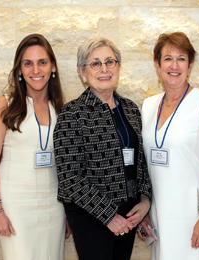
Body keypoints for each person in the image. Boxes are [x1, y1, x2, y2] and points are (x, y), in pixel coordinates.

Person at [53, 37, 152, 260]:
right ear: (82, 72)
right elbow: (70, 177)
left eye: (110, 61)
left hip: (129, 212)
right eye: (95, 63)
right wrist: (109, 216)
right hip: (90, 215)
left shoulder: (130, 108)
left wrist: (145, 201)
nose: (104, 69)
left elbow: (141, 161)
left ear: (118, 67)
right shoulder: (72, 113)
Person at [137, 32, 199, 260]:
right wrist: (145, 210)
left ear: (190, 64)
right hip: (158, 212)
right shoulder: (148, 105)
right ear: (157, 65)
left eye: (181, 58)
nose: (174, 65)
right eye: (167, 59)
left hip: (191, 214)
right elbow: (143, 165)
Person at [0, 33, 69, 260]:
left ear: (53, 67)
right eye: (27, 63)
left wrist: (70, 212)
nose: (36, 70)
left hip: (54, 204)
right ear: (19, 70)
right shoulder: (6, 105)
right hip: (16, 204)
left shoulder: (62, 109)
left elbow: (67, 165)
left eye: (42, 62)